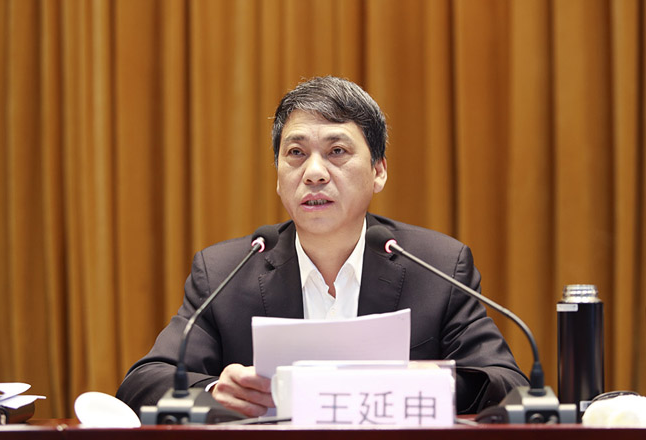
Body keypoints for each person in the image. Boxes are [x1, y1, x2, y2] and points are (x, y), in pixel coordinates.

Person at [116, 76, 528, 417]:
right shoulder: (225, 272)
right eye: (296, 153)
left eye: (337, 151)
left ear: (378, 171)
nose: (314, 173)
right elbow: (143, 383)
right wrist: (213, 393)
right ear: (278, 176)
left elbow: (508, 384)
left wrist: (424, 381)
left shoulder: (437, 267)